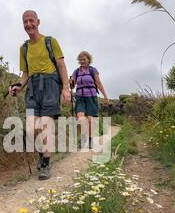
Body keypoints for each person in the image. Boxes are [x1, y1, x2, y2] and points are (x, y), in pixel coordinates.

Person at [9, 10, 71, 180]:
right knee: (31, 129)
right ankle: (42, 155)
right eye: (25, 22)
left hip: (51, 86)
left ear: (38, 21)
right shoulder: (24, 48)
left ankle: (45, 164)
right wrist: (18, 87)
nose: (28, 24)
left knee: (45, 127)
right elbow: (25, 74)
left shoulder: (50, 41)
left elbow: (61, 65)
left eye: (31, 21)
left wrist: (65, 88)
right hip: (32, 89)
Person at [70, 51, 109, 149]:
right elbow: (72, 85)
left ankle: (90, 140)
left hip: (91, 97)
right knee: (80, 119)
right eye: (81, 60)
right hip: (79, 97)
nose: (82, 61)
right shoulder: (76, 72)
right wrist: (70, 81)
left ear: (88, 60)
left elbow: (98, 83)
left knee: (90, 120)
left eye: (84, 59)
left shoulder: (93, 70)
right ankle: (83, 139)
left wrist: (105, 95)